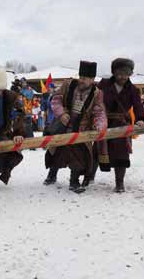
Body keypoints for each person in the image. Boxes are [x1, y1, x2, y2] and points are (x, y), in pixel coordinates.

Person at [44, 61, 107, 193]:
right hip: (63, 127)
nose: (81, 80)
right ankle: (52, 174)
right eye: (81, 77)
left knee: (79, 157)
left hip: (82, 131)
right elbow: (56, 100)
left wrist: (99, 126)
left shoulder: (97, 93)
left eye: (85, 78)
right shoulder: (68, 84)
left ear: (92, 79)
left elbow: (99, 111)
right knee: (56, 152)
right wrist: (61, 114)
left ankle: (74, 181)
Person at [97, 58, 144, 193]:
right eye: (120, 73)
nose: (123, 77)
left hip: (122, 124)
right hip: (104, 122)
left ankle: (119, 183)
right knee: (98, 150)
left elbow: (138, 106)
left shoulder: (133, 90)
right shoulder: (104, 84)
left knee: (121, 154)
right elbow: (94, 100)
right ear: (114, 72)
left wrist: (140, 118)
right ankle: (88, 177)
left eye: (126, 73)